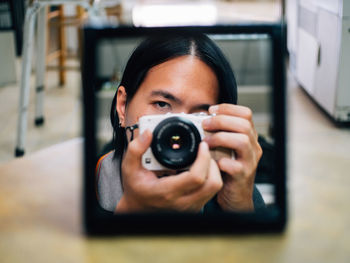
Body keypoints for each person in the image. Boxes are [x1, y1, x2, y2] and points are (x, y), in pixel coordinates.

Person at [96, 33, 264, 213]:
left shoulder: (232, 186)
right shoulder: (80, 186)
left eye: (199, 115)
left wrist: (239, 210)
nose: (177, 131)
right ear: (122, 106)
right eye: (161, 104)